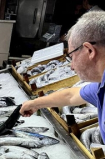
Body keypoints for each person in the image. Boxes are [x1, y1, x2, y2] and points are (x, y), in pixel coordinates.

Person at [20, 11, 105, 142]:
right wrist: (35, 104)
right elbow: (70, 96)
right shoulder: (101, 85)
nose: (71, 66)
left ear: (90, 50)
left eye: (72, 56)